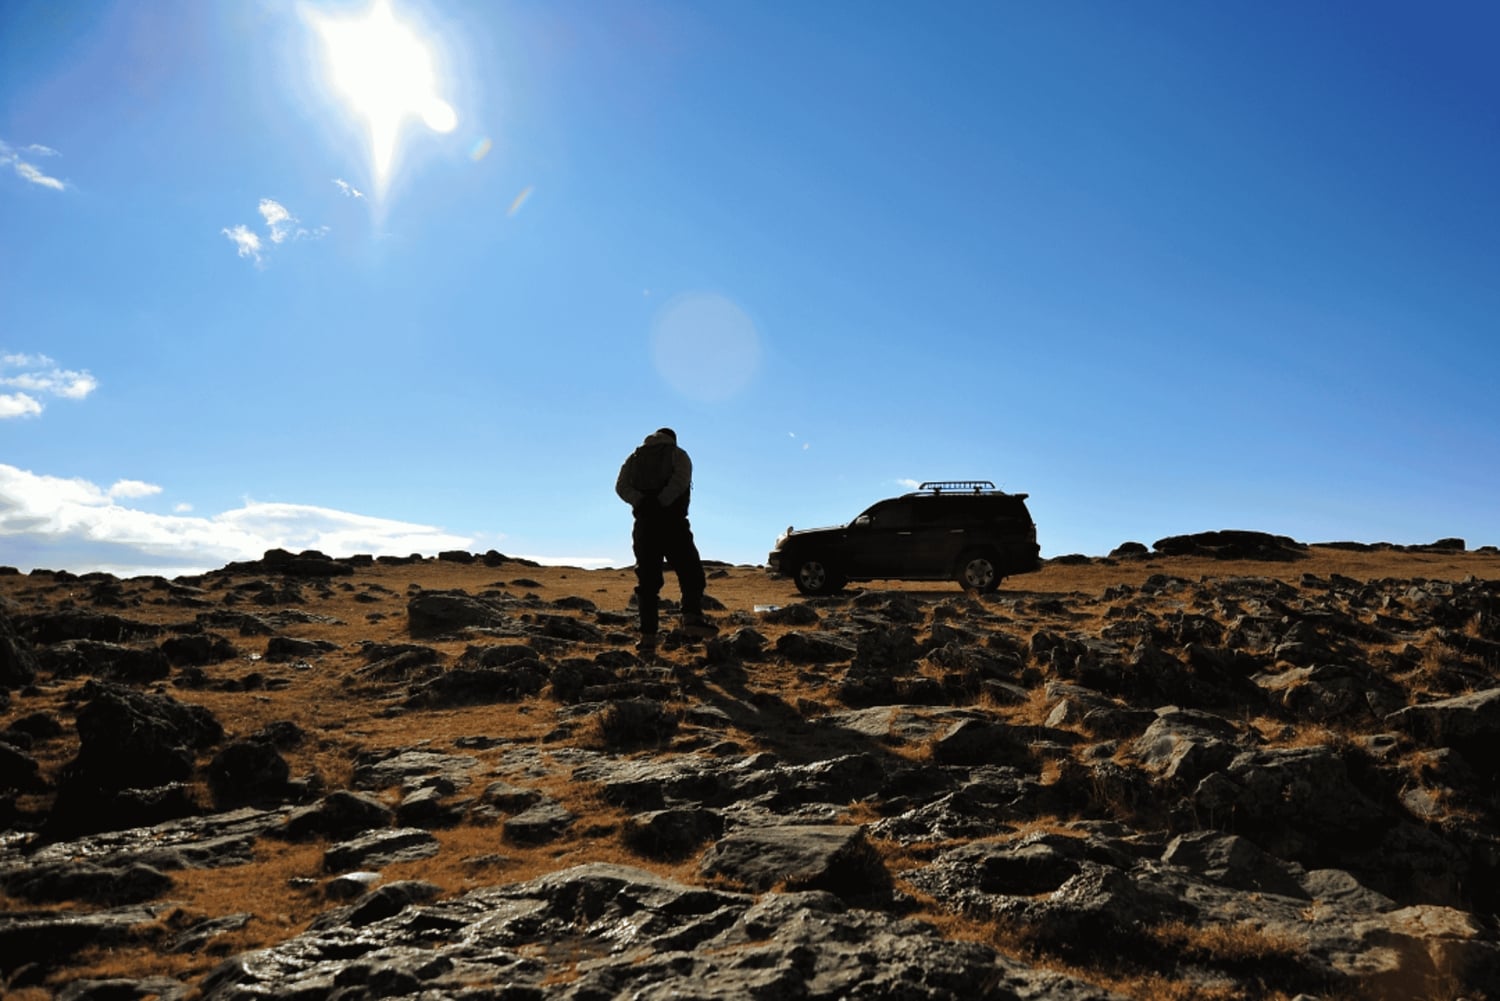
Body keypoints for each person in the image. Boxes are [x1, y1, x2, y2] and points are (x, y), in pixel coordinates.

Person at [615, 427, 715, 647]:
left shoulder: (634, 457)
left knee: (647, 581)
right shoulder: (678, 454)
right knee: (691, 572)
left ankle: (648, 636)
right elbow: (681, 481)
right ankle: (691, 618)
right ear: (673, 439)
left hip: (644, 524)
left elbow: (620, 487)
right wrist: (662, 501)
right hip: (673, 522)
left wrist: (640, 501)